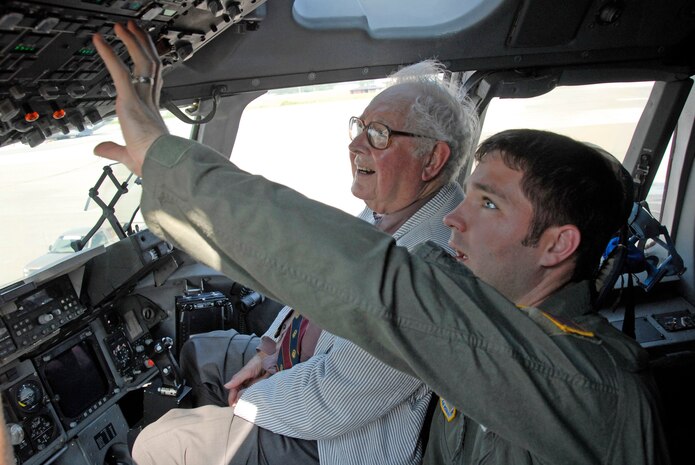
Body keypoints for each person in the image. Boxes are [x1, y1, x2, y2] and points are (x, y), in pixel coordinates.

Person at [92, 22, 670, 465]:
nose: (453, 221)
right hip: (309, 385)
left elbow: (366, 284)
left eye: (488, 203)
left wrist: (169, 165)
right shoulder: (506, 320)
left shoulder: (589, 388)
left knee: (167, 442)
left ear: (556, 246)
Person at [140, 57, 478, 465]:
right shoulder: (387, 212)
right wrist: (267, 355)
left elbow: (336, 398)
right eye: (359, 127)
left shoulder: (433, 260)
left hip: (337, 441)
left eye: (379, 134)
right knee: (200, 352)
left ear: (433, 160)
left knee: (161, 441)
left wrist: (252, 399)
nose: (356, 145)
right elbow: (318, 289)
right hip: (310, 369)